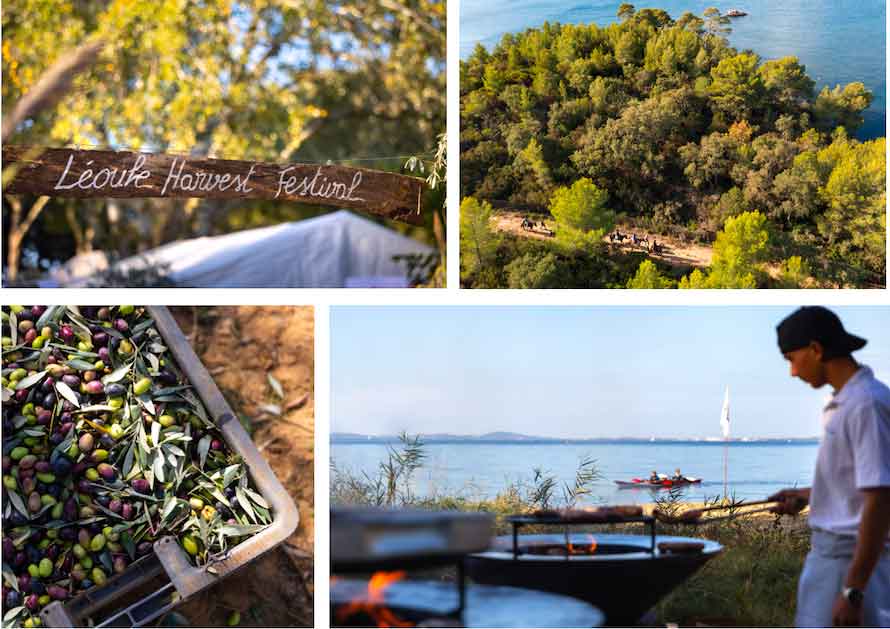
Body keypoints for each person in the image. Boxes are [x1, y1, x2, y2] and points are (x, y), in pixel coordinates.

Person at [769, 306, 890, 627]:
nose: (792, 372)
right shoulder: (846, 402)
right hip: (830, 560)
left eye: (791, 359)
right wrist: (811, 495)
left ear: (816, 349)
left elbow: (880, 500)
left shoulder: (865, 404)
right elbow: (862, 483)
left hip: (849, 564)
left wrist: (853, 591)